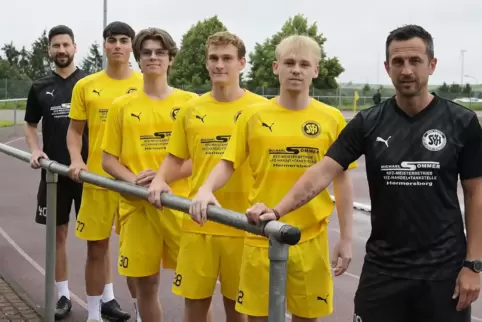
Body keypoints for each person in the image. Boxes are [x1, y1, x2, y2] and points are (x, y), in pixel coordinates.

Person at [247, 25, 482, 322]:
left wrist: (473, 265)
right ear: (387, 67)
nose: (406, 70)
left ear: (432, 65)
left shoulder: (462, 122)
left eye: (415, 61)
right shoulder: (368, 123)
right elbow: (322, 172)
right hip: (383, 270)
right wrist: (277, 211)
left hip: (443, 272)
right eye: (398, 62)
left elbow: (476, 195)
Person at [189, 34, 355, 322]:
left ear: (315, 70)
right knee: (258, 318)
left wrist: (347, 239)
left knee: (306, 317)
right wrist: (205, 189)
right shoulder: (252, 116)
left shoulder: (331, 118)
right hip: (260, 234)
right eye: (289, 62)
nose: (296, 69)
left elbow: (342, 181)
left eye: (304, 64)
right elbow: (228, 162)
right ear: (276, 67)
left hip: (310, 237)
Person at [147, 31, 267, 322]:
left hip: (243, 224)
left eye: (227, 58)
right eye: (213, 58)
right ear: (206, 63)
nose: (219, 64)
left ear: (242, 63)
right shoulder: (191, 109)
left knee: (238, 309)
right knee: (195, 305)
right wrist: (160, 178)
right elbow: (175, 156)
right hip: (199, 220)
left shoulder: (261, 109)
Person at [101, 27, 198, 321]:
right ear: (138, 59)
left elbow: (201, 158)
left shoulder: (191, 103)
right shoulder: (121, 106)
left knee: (195, 289)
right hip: (137, 206)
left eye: (160, 52)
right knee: (146, 285)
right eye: (147, 52)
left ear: (170, 59)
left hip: (181, 206)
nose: (153, 57)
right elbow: (108, 160)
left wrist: (163, 178)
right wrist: (136, 182)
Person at [67, 21, 143, 322]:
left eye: (124, 40)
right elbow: (74, 132)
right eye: (112, 40)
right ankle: (95, 314)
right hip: (97, 180)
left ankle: (141, 313)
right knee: (96, 250)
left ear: (131, 47)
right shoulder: (86, 86)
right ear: (104, 45)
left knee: (136, 255)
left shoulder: (144, 83)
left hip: (133, 184)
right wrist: (76, 159)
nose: (118, 46)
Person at [24, 25, 88, 320]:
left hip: (89, 173)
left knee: (98, 239)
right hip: (55, 173)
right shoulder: (39, 87)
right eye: (55, 46)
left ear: (75, 47)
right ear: (49, 50)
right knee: (58, 235)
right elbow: (30, 125)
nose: (61, 50)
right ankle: (63, 297)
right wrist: (35, 150)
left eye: (66, 45)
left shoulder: (89, 83)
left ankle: (106, 299)